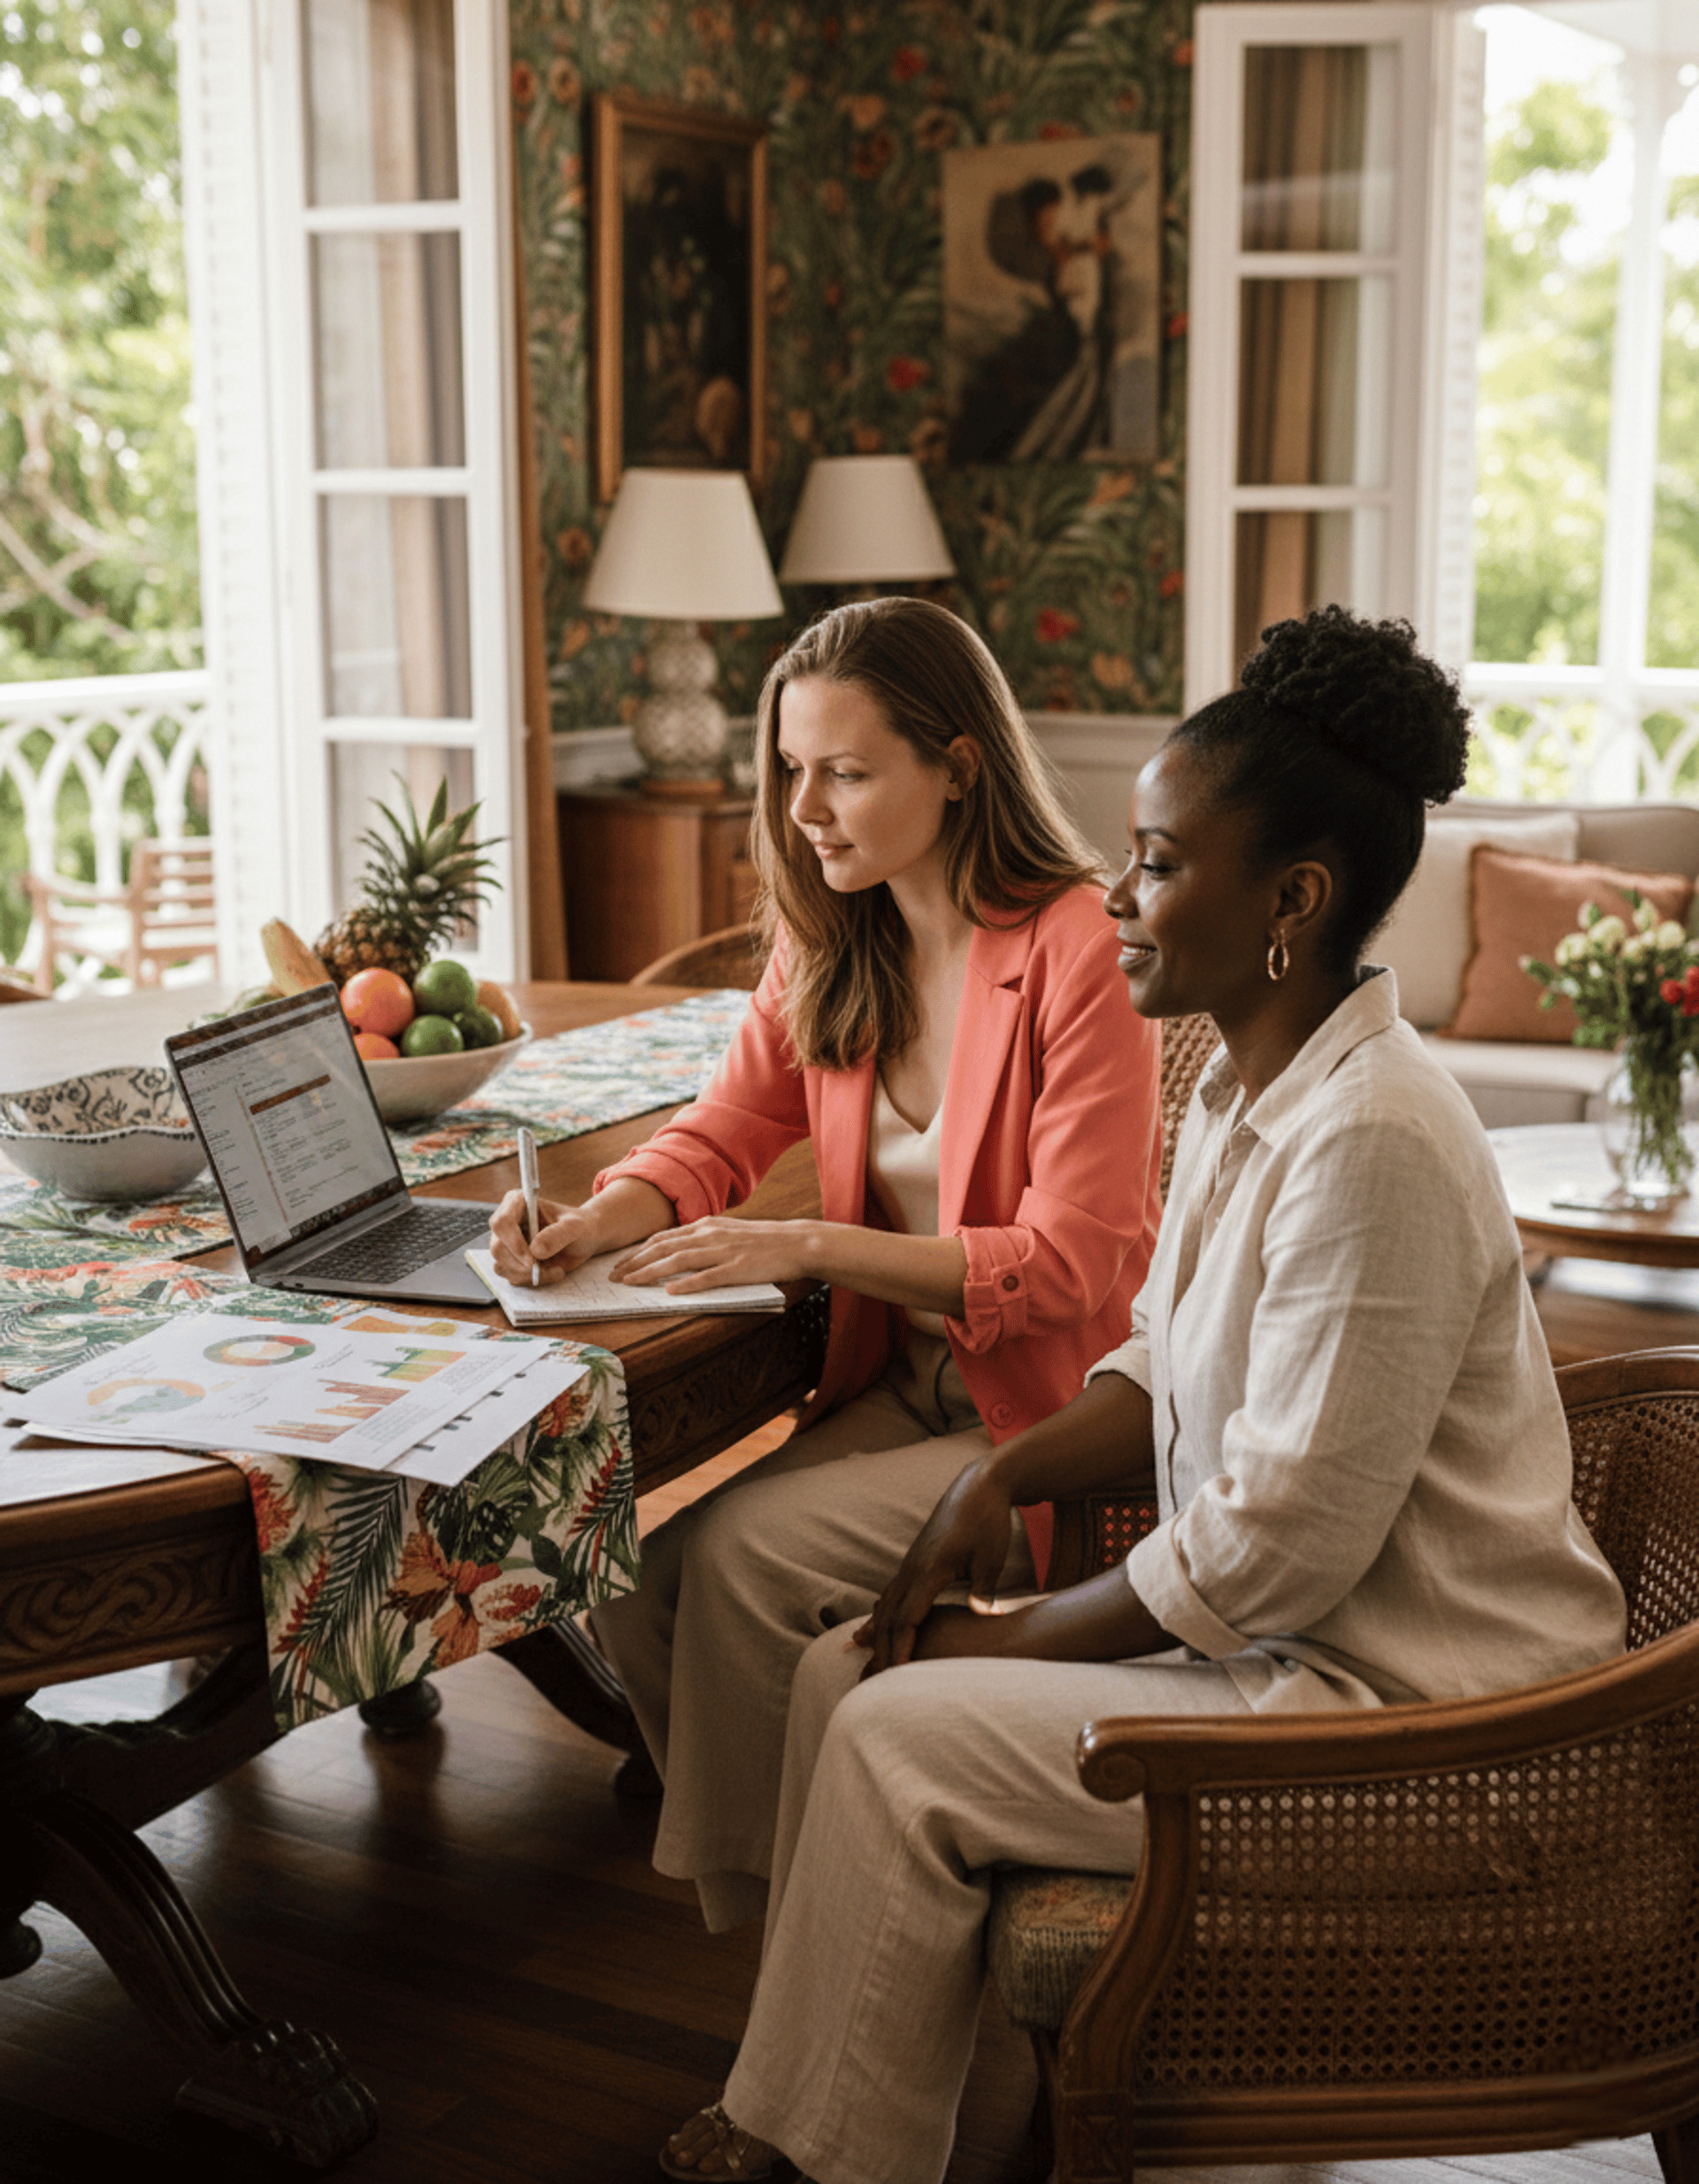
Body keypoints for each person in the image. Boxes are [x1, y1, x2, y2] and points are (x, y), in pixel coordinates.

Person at [654, 605, 1630, 2184]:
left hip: (1425, 1731)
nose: (1117, 894)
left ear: (1291, 903)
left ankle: (823, 2156)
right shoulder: (1253, 1087)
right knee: (847, 1677)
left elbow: (1265, 1554)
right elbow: (1153, 1356)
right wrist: (995, 1483)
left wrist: (1013, 1633)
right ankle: (910, 2131)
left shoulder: (1374, 1138)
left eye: (1162, 863)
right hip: (1302, 1666)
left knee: (898, 1734)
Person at [488, 596, 1165, 1932]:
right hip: (901, 1384)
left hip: (1047, 1415)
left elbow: (1077, 1262)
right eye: (793, 769)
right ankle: (776, 1890)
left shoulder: (1078, 945)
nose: (808, 809)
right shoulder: (832, 929)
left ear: (958, 765)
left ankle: (778, 1935)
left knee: (740, 1557)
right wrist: (597, 1218)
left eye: (847, 772)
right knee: (631, 1547)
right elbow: (731, 1124)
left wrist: (802, 1242)